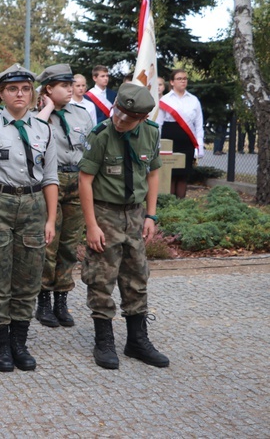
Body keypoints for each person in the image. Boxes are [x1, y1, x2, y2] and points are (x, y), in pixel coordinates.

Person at [0, 64, 59, 373]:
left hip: (33, 205)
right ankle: (0, 344)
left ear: (32, 94)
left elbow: (51, 178)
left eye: (24, 89)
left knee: (29, 276)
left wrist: (50, 220)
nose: (19, 94)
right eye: (12, 89)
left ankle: (20, 342)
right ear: (1, 94)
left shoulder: (44, 130)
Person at [78, 82, 169, 370]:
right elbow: (85, 180)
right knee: (101, 277)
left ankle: (136, 341)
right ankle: (103, 341)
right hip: (106, 213)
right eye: (117, 112)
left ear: (142, 118)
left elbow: (153, 173)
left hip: (136, 215)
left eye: (127, 118)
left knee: (137, 277)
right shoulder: (102, 134)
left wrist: (151, 216)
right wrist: (91, 225)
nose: (118, 119)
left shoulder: (151, 134)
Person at [35, 64, 93, 329]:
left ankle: (62, 298)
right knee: (49, 242)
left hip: (77, 180)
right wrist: (46, 108)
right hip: (51, 180)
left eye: (71, 85)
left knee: (70, 244)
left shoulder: (81, 114)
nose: (70, 90)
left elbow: (89, 150)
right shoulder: (37, 115)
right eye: (64, 86)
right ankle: (43, 299)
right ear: (48, 89)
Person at [157, 69, 204, 198]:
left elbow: (199, 125)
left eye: (185, 78)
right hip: (169, 141)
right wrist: (158, 144)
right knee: (170, 176)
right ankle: (170, 205)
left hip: (187, 141)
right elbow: (158, 125)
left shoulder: (194, 100)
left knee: (183, 175)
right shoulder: (165, 100)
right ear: (171, 82)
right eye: (179, 79)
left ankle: (181, 205)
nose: (183, 81)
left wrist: (199, 145)